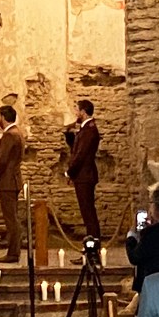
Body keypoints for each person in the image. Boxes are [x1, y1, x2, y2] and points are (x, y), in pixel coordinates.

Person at [0, 105, 24, 264]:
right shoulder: (17, 133)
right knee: (12, 216)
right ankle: (14, 251)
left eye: (0, 117)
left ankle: (13, 252)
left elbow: (2, 159)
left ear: (3, 117)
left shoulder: (10, 135)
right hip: (13, 180)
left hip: (7, 181)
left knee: (11, 218)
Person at [66, 99, 101, 243]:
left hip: (84, 176)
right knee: (87, 213)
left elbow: (80, 155)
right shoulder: (85, 129)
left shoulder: (89, 130)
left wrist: (70, 172)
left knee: (88, 214)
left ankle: (92, 248)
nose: (75, 113)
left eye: (77, 110)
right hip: (83, 176)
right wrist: (68, 133)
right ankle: (90, 247)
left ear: (83, 112)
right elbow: (76, 147)